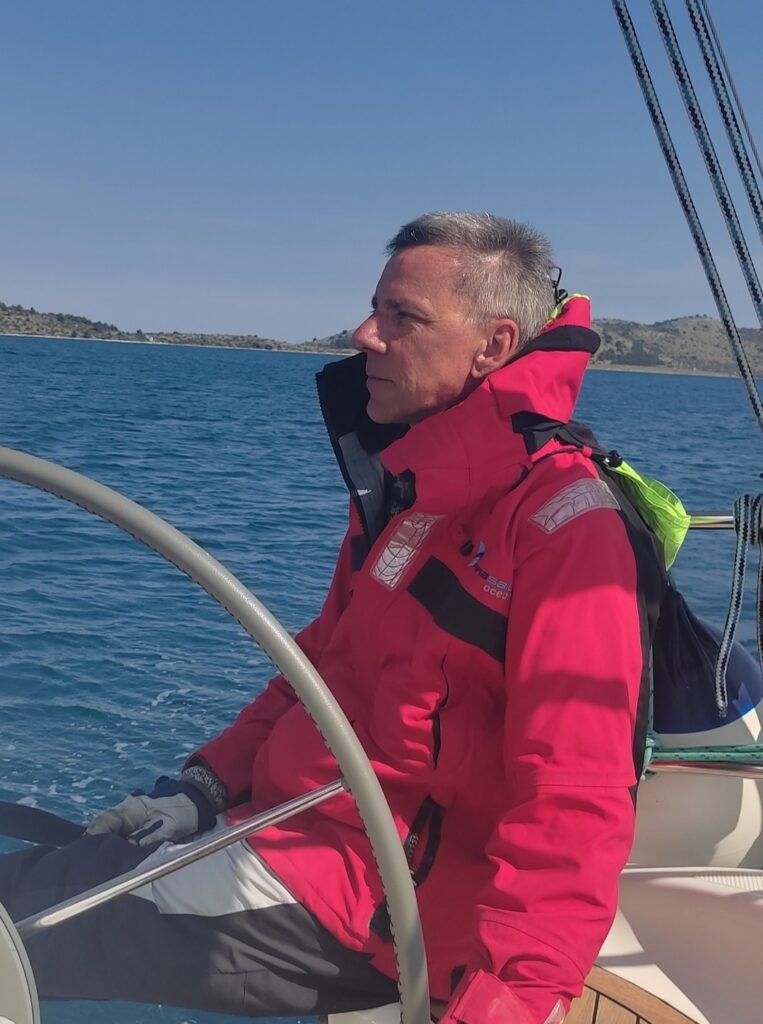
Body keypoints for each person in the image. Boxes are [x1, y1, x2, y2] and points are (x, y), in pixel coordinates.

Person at [0, 213, 666, 1024]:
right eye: (374, 309)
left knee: (17, 928)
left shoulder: (565, 527)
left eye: (402, 317)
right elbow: (320, 674)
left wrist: (515, 1000)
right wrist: (205, 787)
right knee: (47, 877)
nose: (364, 335)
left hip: (374, 906)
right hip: (289, 833)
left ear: (491, 346)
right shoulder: (415, 491)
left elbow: (575, 796)